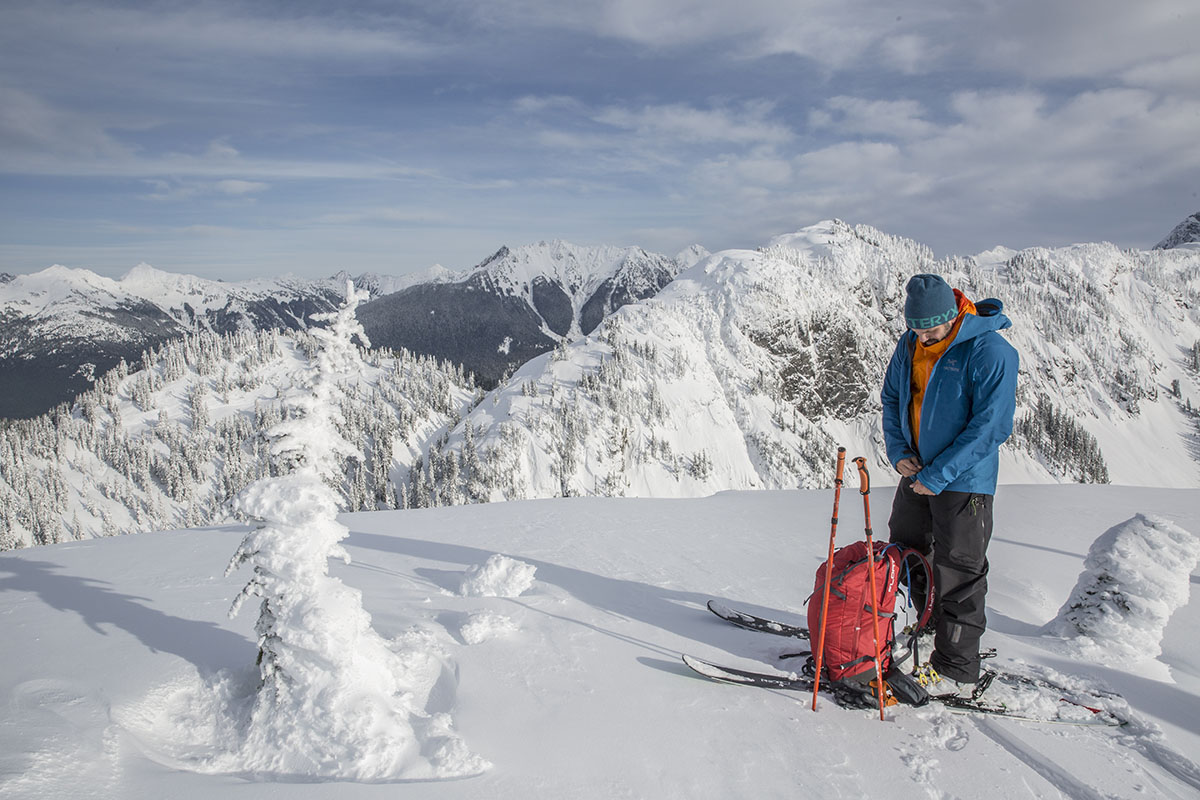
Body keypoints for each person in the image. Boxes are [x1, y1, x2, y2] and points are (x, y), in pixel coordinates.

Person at [880, 273, 1019, 697]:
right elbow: (891, 398)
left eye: (930, 330)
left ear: (953, 315)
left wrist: (938, 476)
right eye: (915, 329)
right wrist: (898, 451)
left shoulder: (990, 351)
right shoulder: (909, 344)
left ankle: (956, 668)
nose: (923, 338)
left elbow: (991, 426)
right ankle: (929, 627)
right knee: (907, 550)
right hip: (917, 471)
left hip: (964, 480)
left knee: (960, 569)